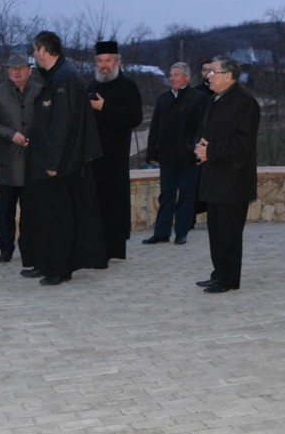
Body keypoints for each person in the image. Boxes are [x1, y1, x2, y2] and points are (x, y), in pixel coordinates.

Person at [23, 31, 108, 285]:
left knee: (59, 217)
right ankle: (46, 262)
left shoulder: (64, 79)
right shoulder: (55, 76)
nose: (34, 55)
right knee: (46, 216)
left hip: (59, 166)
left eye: (35, 50)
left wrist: (53, 164)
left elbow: (63, 126)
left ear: (43, 51)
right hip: (47, 162)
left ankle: (59, 269)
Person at [193, 56, 260, 294]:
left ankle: (229, 279)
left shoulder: (245, 103)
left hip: (234, 180)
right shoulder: (215, 100)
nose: (208, 76)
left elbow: (242, 142)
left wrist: (210, 152)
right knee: (216, 231)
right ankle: (218, 273)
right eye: (208, 72)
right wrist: (199, 147)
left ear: (228, 76)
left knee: (229, 232)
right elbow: (203, 131)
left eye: (213, 72)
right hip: (214, 178)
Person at [0, 51, 39, 264]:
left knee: (31, 210)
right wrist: (11, 135)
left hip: (33, 163)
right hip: (8, 163)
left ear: (29, 70)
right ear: (7, 71)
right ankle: (6, 248)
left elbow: (48, 121)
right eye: (12, 68)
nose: (16, 72)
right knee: (6, 210)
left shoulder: (40, 92)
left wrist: (37, 138)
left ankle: (30, 247)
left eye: (20, 68)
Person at [88, 40, 143, 260]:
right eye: (100, 61)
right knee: (96, 204)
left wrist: (105, 108)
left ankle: (115, 249)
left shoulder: (128, 87)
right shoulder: (92, 86)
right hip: (93, 156)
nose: (104, 65)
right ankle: (96, 246)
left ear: (118, 62)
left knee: (114, 204)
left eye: (108, 61)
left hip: (116, 157)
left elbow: (135, 117)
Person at [142, 61, 206, 246]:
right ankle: (161, 233)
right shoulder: (163, 99)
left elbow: (202, 127)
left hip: (188, 157)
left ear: (186, 77)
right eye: (171, 75)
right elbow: (155, 127)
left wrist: (195, 148)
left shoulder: (198, 98)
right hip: (167, 156)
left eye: (176, 75)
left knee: (186, 196)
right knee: (167, 195)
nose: (172, 78)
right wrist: (152, 153)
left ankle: (181, 232)